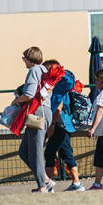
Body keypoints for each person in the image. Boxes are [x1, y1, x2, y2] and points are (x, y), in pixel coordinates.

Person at [12, 46, 53, 194]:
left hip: (37, 113)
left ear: (29, 59)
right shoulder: (45, 71)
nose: (23, 61)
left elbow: (29, 94)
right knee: (24, 152)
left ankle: (43, 186)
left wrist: (17, 100)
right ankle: (46, 181)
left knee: (35, 152)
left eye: (24, 58)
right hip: (45, 112)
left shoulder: (33, 71)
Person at [42, 60, 84, 192]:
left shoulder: (58, 87)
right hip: (65, 125)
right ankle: (76, 183)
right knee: (66, 152)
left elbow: (59, 107)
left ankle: (48, 185)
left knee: (50, 153)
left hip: (60, 125)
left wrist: (52, 125)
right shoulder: (60, 88)